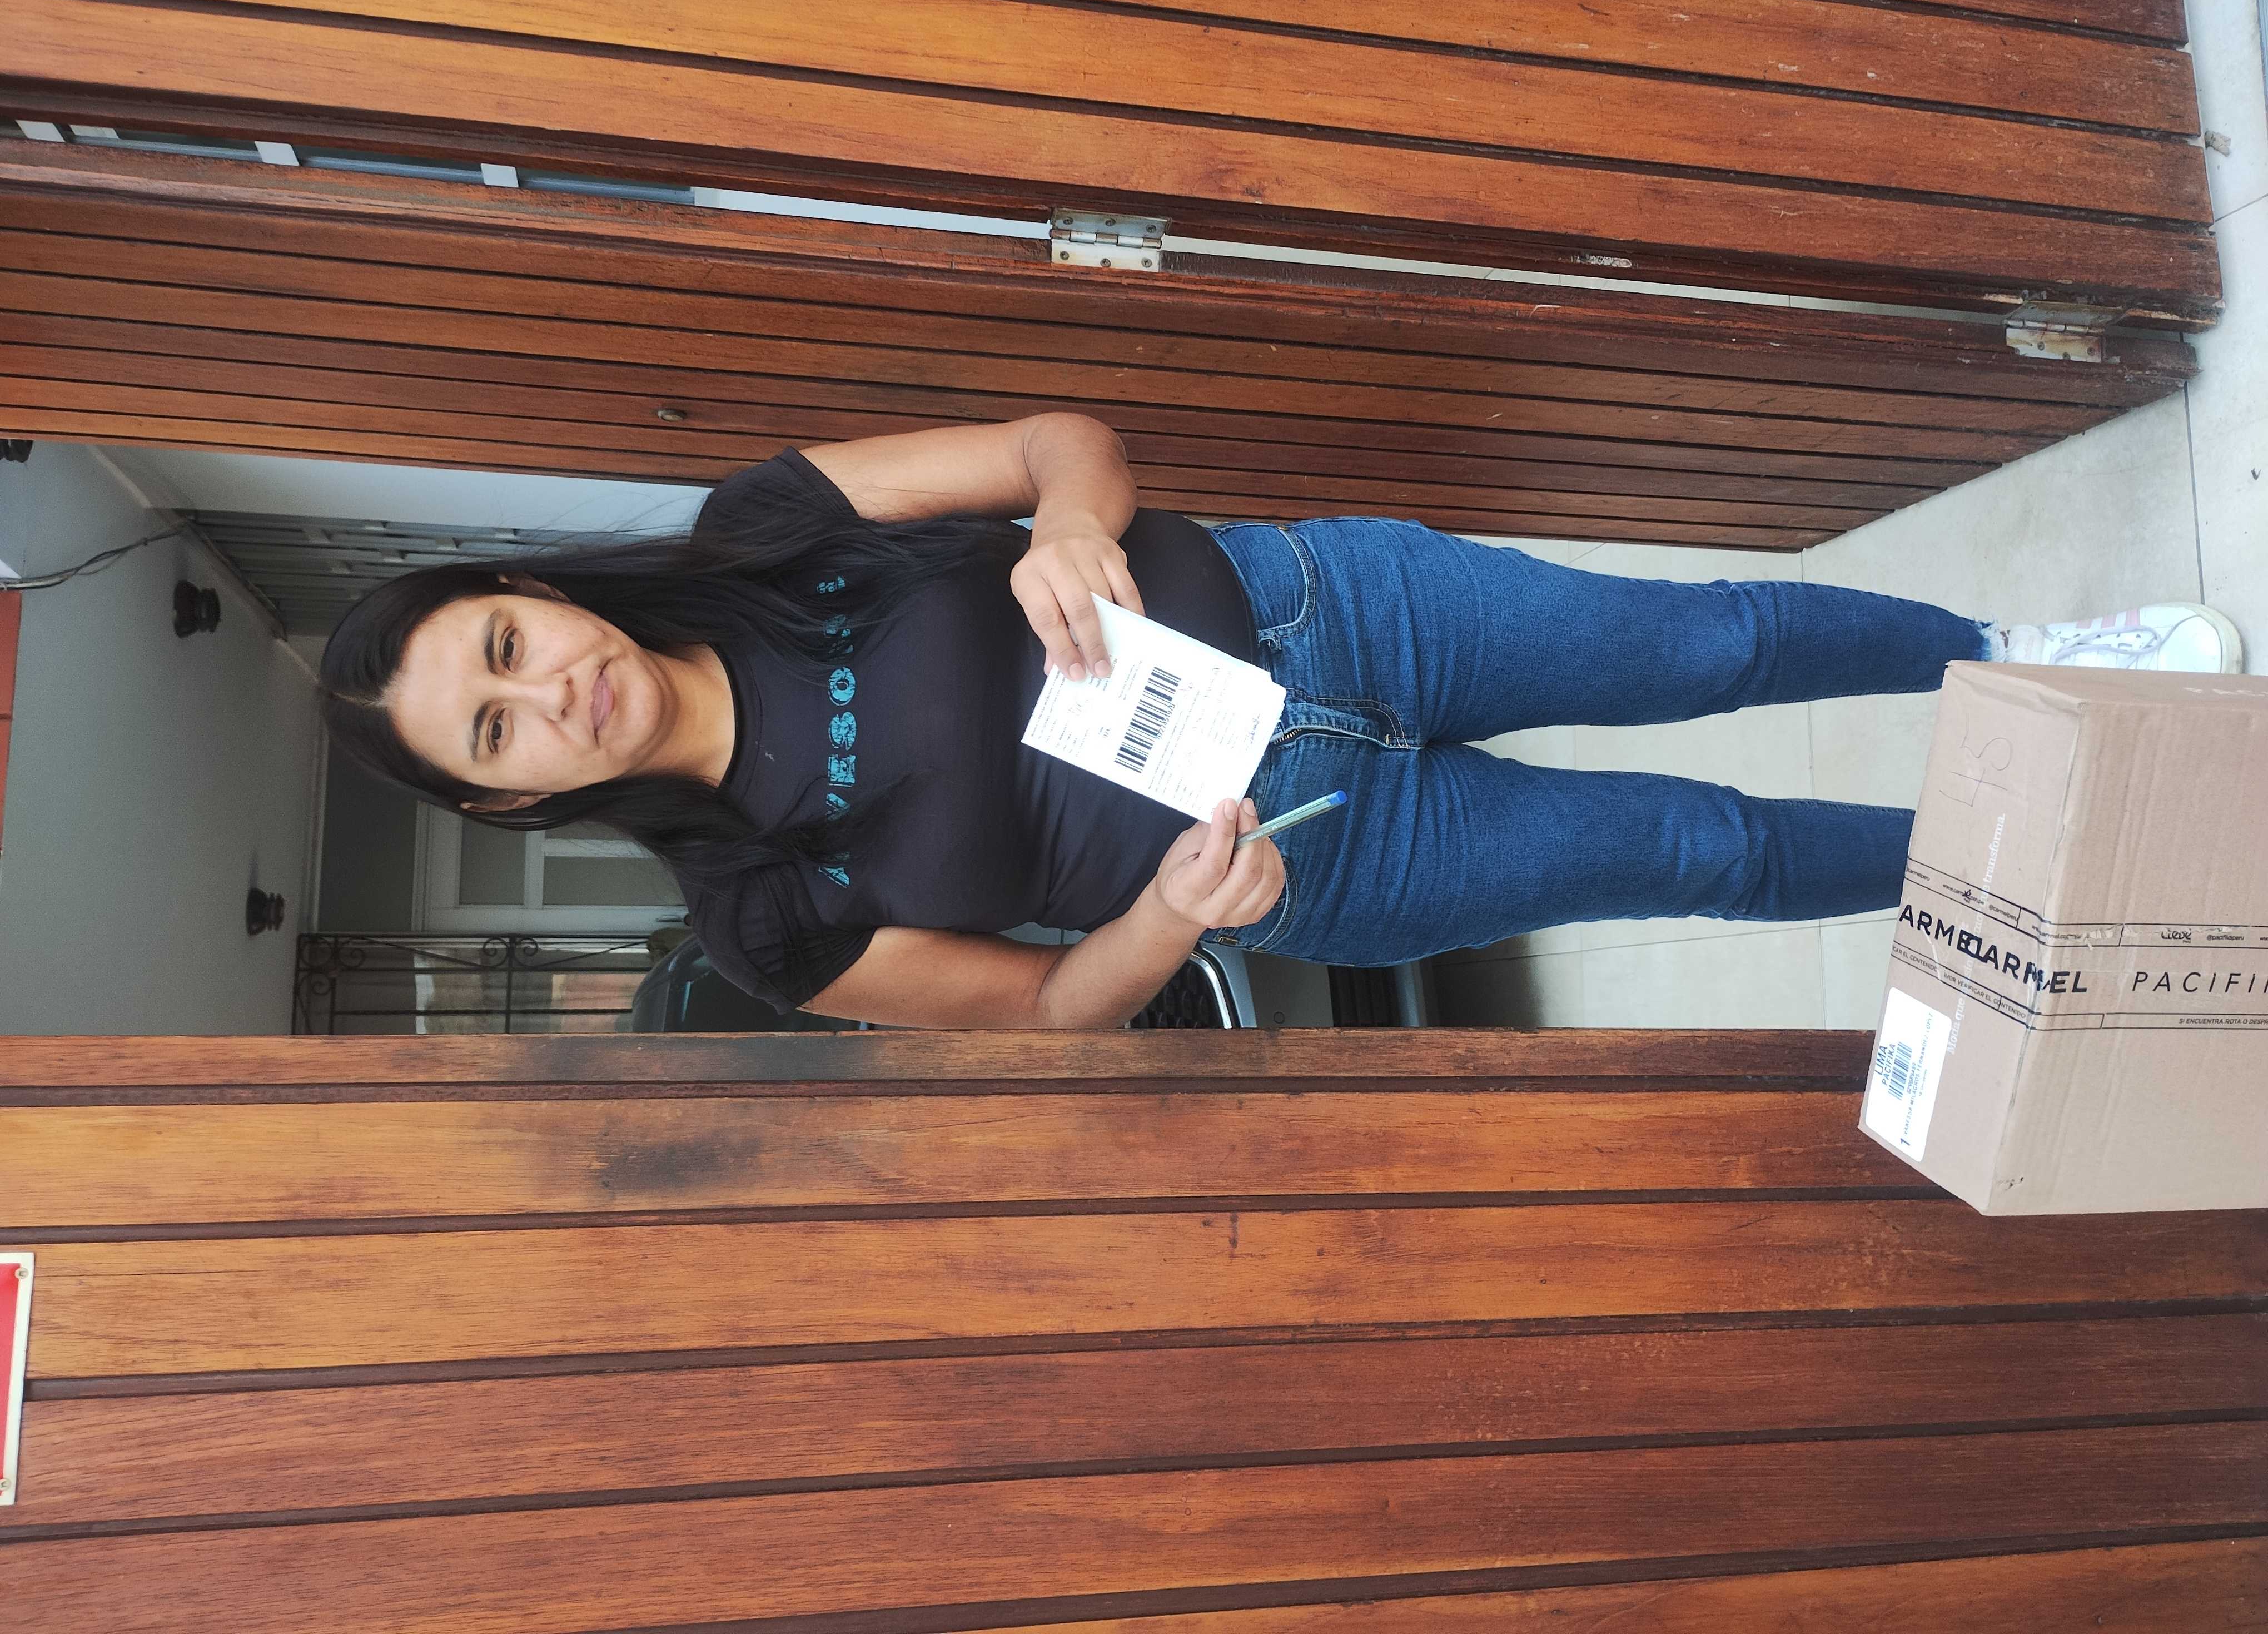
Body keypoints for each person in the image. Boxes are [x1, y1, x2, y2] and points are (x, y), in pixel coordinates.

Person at [320, 411, 2245, 1030]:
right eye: (494, 732)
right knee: (1710, 850)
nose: (543, 690)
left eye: (502, 641)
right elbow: (1051, 1011)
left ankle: (2047, 650)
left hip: (1343, 611)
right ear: (508, 803)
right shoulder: (761, 917)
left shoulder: (764, 528)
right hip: (1318, 855)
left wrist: (1067, 525)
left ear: (529, 590)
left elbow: (1057, 441)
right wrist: (1174, 921)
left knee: (1716, 641)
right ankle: (2081, 870)